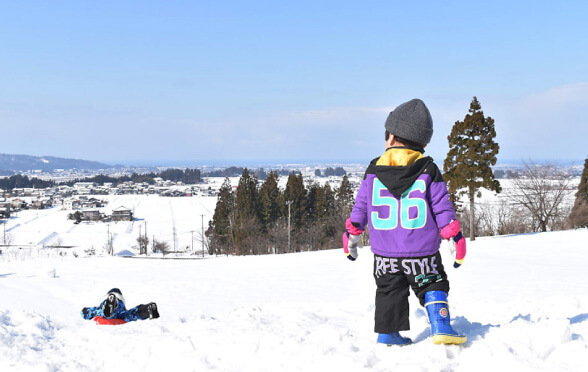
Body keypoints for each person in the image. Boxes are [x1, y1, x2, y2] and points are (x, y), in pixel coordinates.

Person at [343, 98, 467, 346]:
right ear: (424, 143)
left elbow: (361, 207)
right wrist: (453, 235)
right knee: (432, 283)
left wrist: (353, 233)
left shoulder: (373, 170)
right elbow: (442, 206)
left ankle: (388, 334)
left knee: (389, 291)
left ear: (389, 138)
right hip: (422, 253)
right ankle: (441, 326)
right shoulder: (428, 170)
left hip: (385, 255)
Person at [81, 288, 159, 323]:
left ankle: (111, 308)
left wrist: (84, 311)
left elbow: (85, 312)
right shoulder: (122, 304)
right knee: (132, 314)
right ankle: (146, 310)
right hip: (120, 307)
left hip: (108, 305)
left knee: (96, 312)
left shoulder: (101, 306)